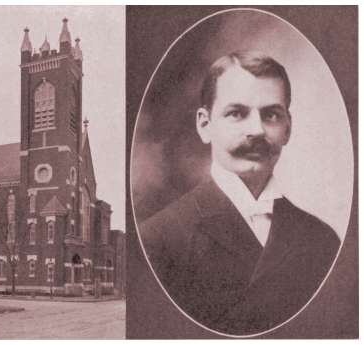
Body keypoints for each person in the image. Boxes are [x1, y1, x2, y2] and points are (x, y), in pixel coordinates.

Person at [140, 51, 340, 335]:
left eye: (271, 115)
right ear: (204, 125)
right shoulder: (157, 240)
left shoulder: (322, 241)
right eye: (237, 113)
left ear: (287, 128)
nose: (256, 130)